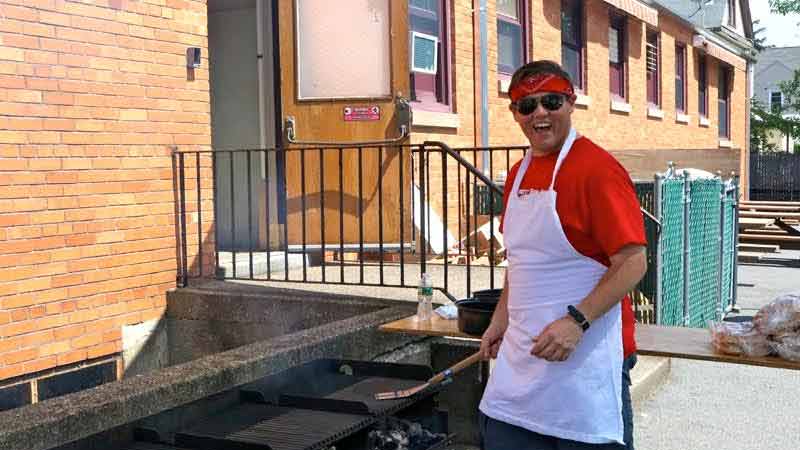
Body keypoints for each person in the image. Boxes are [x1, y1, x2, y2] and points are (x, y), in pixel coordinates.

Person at [478, 60, 648, 450]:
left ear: (571, 104)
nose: (539, 113)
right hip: (524, 356)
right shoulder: (518, 174)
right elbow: (523, 261)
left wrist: (576, 322)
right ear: (515, 114)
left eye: (551, 101)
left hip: (587, 355)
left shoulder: (597, 170)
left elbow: (632, 260)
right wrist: (500, 320)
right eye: (527, 105)